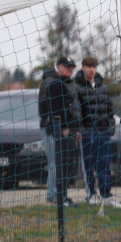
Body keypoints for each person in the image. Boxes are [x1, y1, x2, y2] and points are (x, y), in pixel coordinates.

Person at [75, 55, 121, 208]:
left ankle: (107, 195)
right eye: (89, 66)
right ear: (83, 68)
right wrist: (80, 131)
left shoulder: (102, 87)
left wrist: (110, 127)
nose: (92, 69)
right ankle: (91, 194)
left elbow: (109, 109)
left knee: (104, 165)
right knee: (88, 166)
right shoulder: (77, 87)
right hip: (87, 132)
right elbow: (76, 112)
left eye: (94, 66)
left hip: (103, 132)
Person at [38, 56, 81, 206]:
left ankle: (58, 194)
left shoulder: (62, 83)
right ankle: (54, 195)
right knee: (55, 163)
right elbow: (53, 109)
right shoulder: (53, 83)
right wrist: (61, 128)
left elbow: (70, 108)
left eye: (72, 67)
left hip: (61, 130)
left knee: (60, 164)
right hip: (53, 130)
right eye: (67, 66)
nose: (70, 70)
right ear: (59, 66)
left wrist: (74, 128)